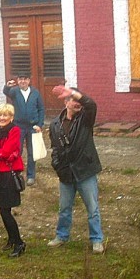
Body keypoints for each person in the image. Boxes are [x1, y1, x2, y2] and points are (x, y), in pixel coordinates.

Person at [47, 85, 104, 254]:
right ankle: (62, 236)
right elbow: (55, 148)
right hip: (66, 173)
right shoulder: (55, 124)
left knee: (92, 209)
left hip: (85, 172)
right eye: (73, 100)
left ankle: (97, 240)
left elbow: (91, 104)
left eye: (79, 99)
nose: (77, 103)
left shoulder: (85, 119)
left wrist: (73, 93)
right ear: (66, 103)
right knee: (64, 208)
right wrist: (57, 165)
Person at [0, 103, 26, 257]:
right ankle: (12, 238)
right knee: (2, 209)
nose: (1, 118)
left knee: (5, 210)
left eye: (5, 115)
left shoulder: (15, 130)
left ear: (11, 117)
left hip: (9, 173)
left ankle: (19, 243)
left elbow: (7, 152)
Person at [2, 73, 45, 186]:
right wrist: (7, 86)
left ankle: (31, 176)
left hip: (32, 127)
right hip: (18, 126)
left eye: (25, 79)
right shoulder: (14, 91)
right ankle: (16, 173)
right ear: (18, 81)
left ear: (29, 81)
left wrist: (40, 124)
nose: (23, 81)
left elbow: (41, 109)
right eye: (20, 79)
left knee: (32, 152)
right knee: (17, 151)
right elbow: (6, 92)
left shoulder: (35, 92)